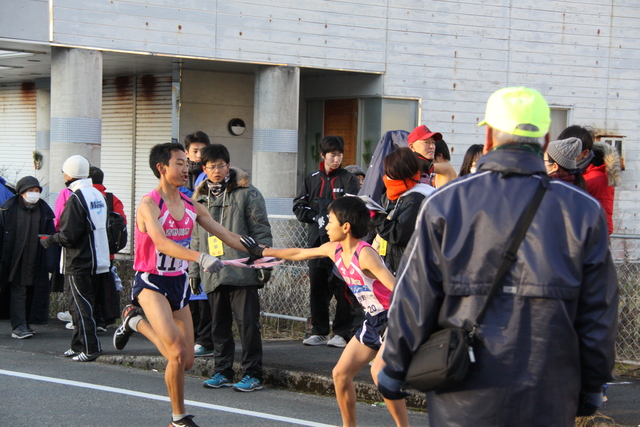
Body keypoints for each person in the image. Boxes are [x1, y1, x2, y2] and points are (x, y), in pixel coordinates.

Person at [378, 87, 619, 426]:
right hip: (548, 392)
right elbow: (599, 310)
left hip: (462, 391)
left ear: (489, 135)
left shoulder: (445, 203)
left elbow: (414, 296)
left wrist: (395, 365)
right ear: (545, 137)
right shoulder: (582, 210)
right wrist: (593, 383)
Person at [112, 142, 253, 427]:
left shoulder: (191, 204)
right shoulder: (149, 204)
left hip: (178, 284)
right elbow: (162, 243)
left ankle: (133, 323)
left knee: (186, 361)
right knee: (175, 351)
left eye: (186, 163)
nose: (186, 168)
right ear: (162, 168)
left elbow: (224, 233)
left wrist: (260, 251)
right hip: (152, 282)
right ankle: (178, 418)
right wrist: (200, 257)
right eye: (179, 162)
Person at [244, 196, 409, 427]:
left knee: (381, 373)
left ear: (346, 227)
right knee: (340, 375)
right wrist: (263, 251)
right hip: (373, 320)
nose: (326, 226)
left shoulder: (365, 254)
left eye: (330, 221)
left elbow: (400, 290)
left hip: (394, 318)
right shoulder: (334, 249)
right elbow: (298, 253)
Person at [190, 144, 273, 392]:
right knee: (219, 325)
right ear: (204, 168)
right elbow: (196, 237)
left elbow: (261, 230)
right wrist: (194, 270)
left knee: (248, 324)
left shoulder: (248, 192)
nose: (217, 171)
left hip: (242, 268)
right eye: (211, 166)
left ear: (229, 165)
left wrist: (264, 263)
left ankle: (252, 374)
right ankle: (222, 371)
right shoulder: (199, 197)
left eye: (221, 165)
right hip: (212, 270)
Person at [40, 155, 111, 362]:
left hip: (78, 260)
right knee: (83, 304)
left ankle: (90, 348)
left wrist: (49, 239)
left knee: (80, 306)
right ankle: (77, 344)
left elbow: (69, 236)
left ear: (69, 174)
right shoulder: (97, 195)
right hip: (98, 258)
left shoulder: (76, 198)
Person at [293, 135, 362, 348]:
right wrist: (314, 216)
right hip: (317, 243)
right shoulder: (311, 178)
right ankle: (319, 330)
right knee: (318, 286)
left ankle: (342, 332)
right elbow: (298, 206)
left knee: (343, 287)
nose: (336, 159)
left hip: (342, 244)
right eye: (332, 155)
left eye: (340, 154)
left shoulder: (348, 179)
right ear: (323, 155)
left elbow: (353, 207)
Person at [0, 176, 56, 338]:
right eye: (30, 191)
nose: (34, 194)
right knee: (19, 289)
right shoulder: (8, 209)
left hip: (36, 258)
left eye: (37, 190)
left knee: (33, 290)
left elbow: (50, 236)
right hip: (14, 258)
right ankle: (19, 326)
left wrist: (50, 262)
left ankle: (25, 323)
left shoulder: (44, 211)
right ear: (21, 193)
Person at [373, 147, 435, 276]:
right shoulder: (403, 194)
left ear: (399, 173)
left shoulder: (415, 198)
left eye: (389, 174)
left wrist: (376, 218)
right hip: (400, 266)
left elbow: (398, 234)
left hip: (410, 270)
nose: (386, 178)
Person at [558, 125, 621, 234]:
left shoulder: (598, 179)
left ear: (585, 153)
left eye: (570, 149)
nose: (564, 153)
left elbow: (603, 225)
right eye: (561, 148)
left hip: (583, 245)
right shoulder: (563, 172)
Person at [89, 166, 127, 330]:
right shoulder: (112, 199)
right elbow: (122, 223)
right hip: (107, 252)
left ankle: (89, 320)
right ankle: (103, 320)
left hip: (87, 252)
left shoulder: (83, 197)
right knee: (104, 287)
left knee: (87, 287)